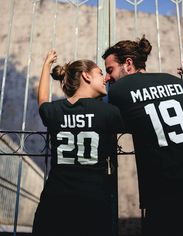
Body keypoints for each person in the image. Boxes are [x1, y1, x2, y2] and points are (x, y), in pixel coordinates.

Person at [102, 35, 183, 236]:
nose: (108, 78)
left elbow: (104, 124)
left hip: (167, 197)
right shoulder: (175, 82)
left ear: (128, 64)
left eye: (110, 70)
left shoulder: (119, 91)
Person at [32, 50, 124, 236]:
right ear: (86, 76)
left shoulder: (54, 110)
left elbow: (41, 99)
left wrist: (46, 65)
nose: (105, 78)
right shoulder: (109, 113)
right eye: (100, 73)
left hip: (55, 200)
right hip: (92, 201)